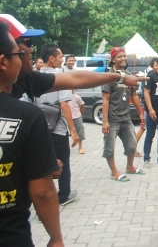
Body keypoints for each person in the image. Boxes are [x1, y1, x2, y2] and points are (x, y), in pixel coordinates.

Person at [0, 21, 64, 246]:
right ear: (3, 62)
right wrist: (55, 238)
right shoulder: (26, 114)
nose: (24, 56)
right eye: (18, 52)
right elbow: (42, 192)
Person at [0, 14, 146, 100]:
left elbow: (75, 78)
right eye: (28, 43)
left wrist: (120, 77)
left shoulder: (25, 80)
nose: (32, 50)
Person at [37, 43, 79, 206]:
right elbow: (64, 105)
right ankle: (63, 196)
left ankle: (43, 195)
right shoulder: (60, 78)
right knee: (63, 163)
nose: (63, 59)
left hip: (39, 129)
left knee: (42, 164)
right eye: (61, 57)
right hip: (57, 129)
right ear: (52, 58)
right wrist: (73, 130)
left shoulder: (35, 76)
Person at [102, 47, 146, 180]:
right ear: (113, 59)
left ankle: (130, 167)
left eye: (124, 56)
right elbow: (105, 99)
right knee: (110, 147)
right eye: (119, 56)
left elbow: (134, 95)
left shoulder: (128, 75)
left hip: (126, 117)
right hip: (112, 119)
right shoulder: (109, 76)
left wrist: (141, 113)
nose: (123, 59)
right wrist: (105, 121)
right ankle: (114, 172)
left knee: (132, 145)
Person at [68, 89, 85, 154]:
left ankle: (80, 147)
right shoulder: (65, 98)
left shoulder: (77, 97)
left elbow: (82, 106)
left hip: (77, 116)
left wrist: (80, 114)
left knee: (80, 131)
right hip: (67, 118)